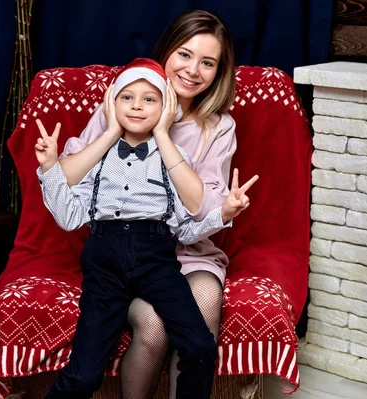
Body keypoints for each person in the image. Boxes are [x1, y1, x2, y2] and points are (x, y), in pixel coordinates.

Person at [57, 10, 258, 399]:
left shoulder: (218, 126)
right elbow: (69, 175)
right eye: (184, 54)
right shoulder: (125, 102)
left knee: (204, 310)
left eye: (208, 62)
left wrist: (164, 134)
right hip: (129, 250)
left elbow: (201, 210)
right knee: (152, 329)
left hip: (191, 249)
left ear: (219, 71)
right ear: (166, 52)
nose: (193, 70)